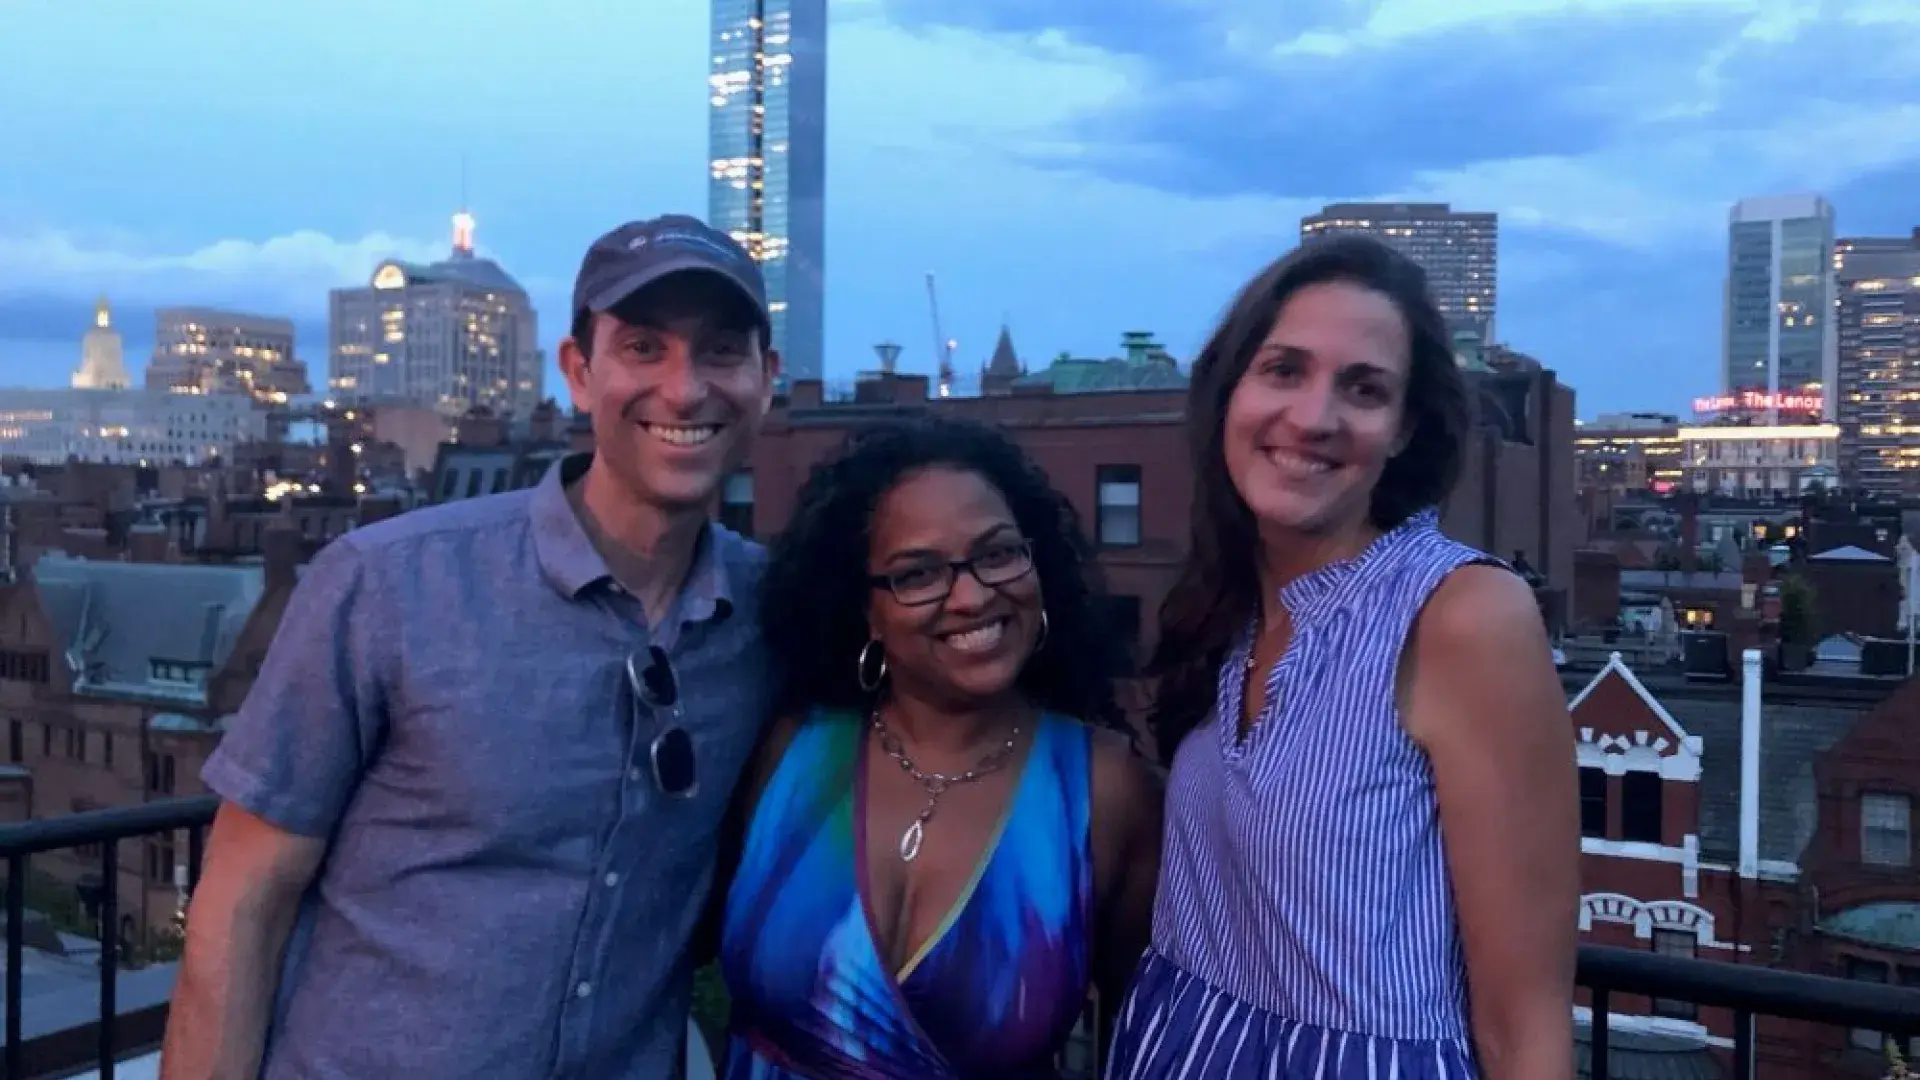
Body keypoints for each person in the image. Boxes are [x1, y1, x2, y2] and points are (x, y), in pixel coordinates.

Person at [161, 214, 781, 1079]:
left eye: (720, 352)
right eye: (643, 347)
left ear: (766, 379)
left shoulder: (772, 615)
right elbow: (242, 901)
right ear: (577, 371)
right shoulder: (386, 586)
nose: (684, 390)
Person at [1104, 237, 1579, 1080]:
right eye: (1284, 369)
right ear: (1230, 392)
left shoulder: (1462, 616)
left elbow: (1525, 1028)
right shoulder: (1231, 609)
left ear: (1401, 433)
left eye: (1363, 389)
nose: (1315, 418)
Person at [716, 416, 1163, 1079]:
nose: (973, 594)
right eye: (918, 572)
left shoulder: (1109, 793)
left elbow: (1140, 1048)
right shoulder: (790, 753)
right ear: (865, 610)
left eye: (998, 553)